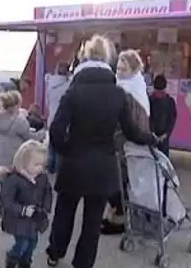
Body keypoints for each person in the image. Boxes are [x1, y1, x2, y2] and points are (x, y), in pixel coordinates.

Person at [45, 35, 157, 268]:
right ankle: (83, 263)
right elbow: (133, 131)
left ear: (83, 58)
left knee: (64, 212)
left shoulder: (73, 90)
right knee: (92, 222)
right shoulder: (117, 94)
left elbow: (56, 129)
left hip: (74, 164)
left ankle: (55, 253)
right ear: (108, 60)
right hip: (103, 166)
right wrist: (152, 138)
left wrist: (67, 149)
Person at [101, 49, 152, 235]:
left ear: (133, 70)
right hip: (119, 141)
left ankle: (119, 220)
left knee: (119, 182)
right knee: (114, 181)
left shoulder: (130, 91)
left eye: (124, 68)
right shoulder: (127, 87)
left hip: (125, 144)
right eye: (118, 67)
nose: (119, 71)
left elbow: (132, 124)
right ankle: (112, 216)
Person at [0, 140, 53, 268]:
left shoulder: (42, 177)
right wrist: (23, 210)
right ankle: (13, 259)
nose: (40, 168)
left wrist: (46, 207)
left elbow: (48, 192)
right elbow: (6, 200)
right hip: (18, 220)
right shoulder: (13, 180)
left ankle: (26, 262)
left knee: (33, 243)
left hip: (35, 219)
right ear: (23, 162)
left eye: (42, 165)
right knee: (22, 243)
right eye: (36, 164)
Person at [0, 90, 46, 168]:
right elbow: (30, 137)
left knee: (2, 175)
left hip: (2, 153)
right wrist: (43, 133)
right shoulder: (19, 121)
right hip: (15, 154)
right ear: (17, 105)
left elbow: (5, 114)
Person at [45, 62, 71, 173]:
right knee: (60, 147)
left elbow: (47, 102)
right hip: (64, 120)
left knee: (51, 145)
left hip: (51, 117)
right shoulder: (69, 85)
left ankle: (49, 168)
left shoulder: (50, 84)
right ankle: (58, 170)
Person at [149, 75, 177, 157]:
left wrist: (166, 134)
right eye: (157, 92)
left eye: (161, 92)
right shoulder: (150, 100)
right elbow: (148, 118)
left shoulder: (170, 102)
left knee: (163, 159)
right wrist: (152, 133)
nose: (159, 95)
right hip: (152, 136)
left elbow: (172, 119)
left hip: (163, 137)